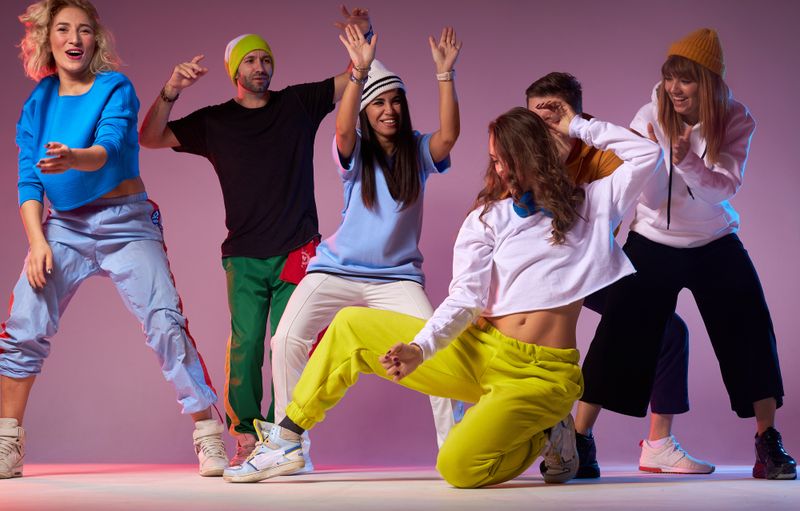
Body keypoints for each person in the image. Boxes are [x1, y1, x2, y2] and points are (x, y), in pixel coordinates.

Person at [222, 102, 663, 486]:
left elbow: (647, 153)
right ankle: (287, 438)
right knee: (351, 325)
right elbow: (464, 299)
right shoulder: (487, 219)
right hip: (481, 350)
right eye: (494, 160)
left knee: (458, 468)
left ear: (538, 155)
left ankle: (548, 429)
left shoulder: (592, 204)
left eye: (508, 159)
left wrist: (576, 124)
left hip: (542, 374)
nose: (500, 170)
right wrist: (419, 348)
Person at [0, 0, 227, 480]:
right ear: (49, 39)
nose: (74, 39)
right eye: (63, 29)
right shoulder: (36, 105)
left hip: (127, 223)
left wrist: (73, 158)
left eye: (84, 30)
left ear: (95, 40)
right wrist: (38, 242)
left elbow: (109, 147)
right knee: (24, 324)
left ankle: (209, 435)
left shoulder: (113, 87)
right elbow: (28, 182)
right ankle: (8, 443)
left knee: (165, 321)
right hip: (63, 228)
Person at [138, 6, 373, 468]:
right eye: (250, 60)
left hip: (298, 247)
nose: (260, 67)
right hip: (244, 254)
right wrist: (171, 91)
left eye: (266, 59)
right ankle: (246, 436)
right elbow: (150, 136)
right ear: (235, 71)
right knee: (245, 347)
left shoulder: (298, 104)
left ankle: (286, 435)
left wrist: (363, 35)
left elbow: (353, 77)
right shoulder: (215, 121)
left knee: (291, 343)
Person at [578, 28, 796, 480]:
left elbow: (725, 188)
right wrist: (661, 163)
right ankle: (579, 440)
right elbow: (642, 190)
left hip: (714, 239)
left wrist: (688, 162)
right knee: (620, 328)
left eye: (688, 80)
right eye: (670, 78)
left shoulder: (736, 118)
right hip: (653, 237)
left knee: (751, 328)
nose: (676, 89)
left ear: (709, 82)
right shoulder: (650, 114)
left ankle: (767, 442)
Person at [262, 25, 462, 476]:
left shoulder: (417, 150)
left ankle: (457, 448)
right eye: (378, 103)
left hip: (397, 279)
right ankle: (291, 445)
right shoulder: (353, 155)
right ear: (366, 111)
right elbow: (340, 125)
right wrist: (360, 72)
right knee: (286, 338)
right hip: (336, 270)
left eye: (394, 101)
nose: (387, 110)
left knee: (437, 348)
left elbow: (448, 136)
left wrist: (444, 75)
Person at [527, 73, 712, 476]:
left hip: (592, 270)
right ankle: (567, 440)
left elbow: (647, 156)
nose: (544, 127)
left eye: (553, 115)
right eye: (535, 117)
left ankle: (651, 444)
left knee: (670, 331)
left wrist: (577, 129)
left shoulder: (601, 153)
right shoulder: (522, 155)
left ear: (573, 113)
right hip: (538, 277)